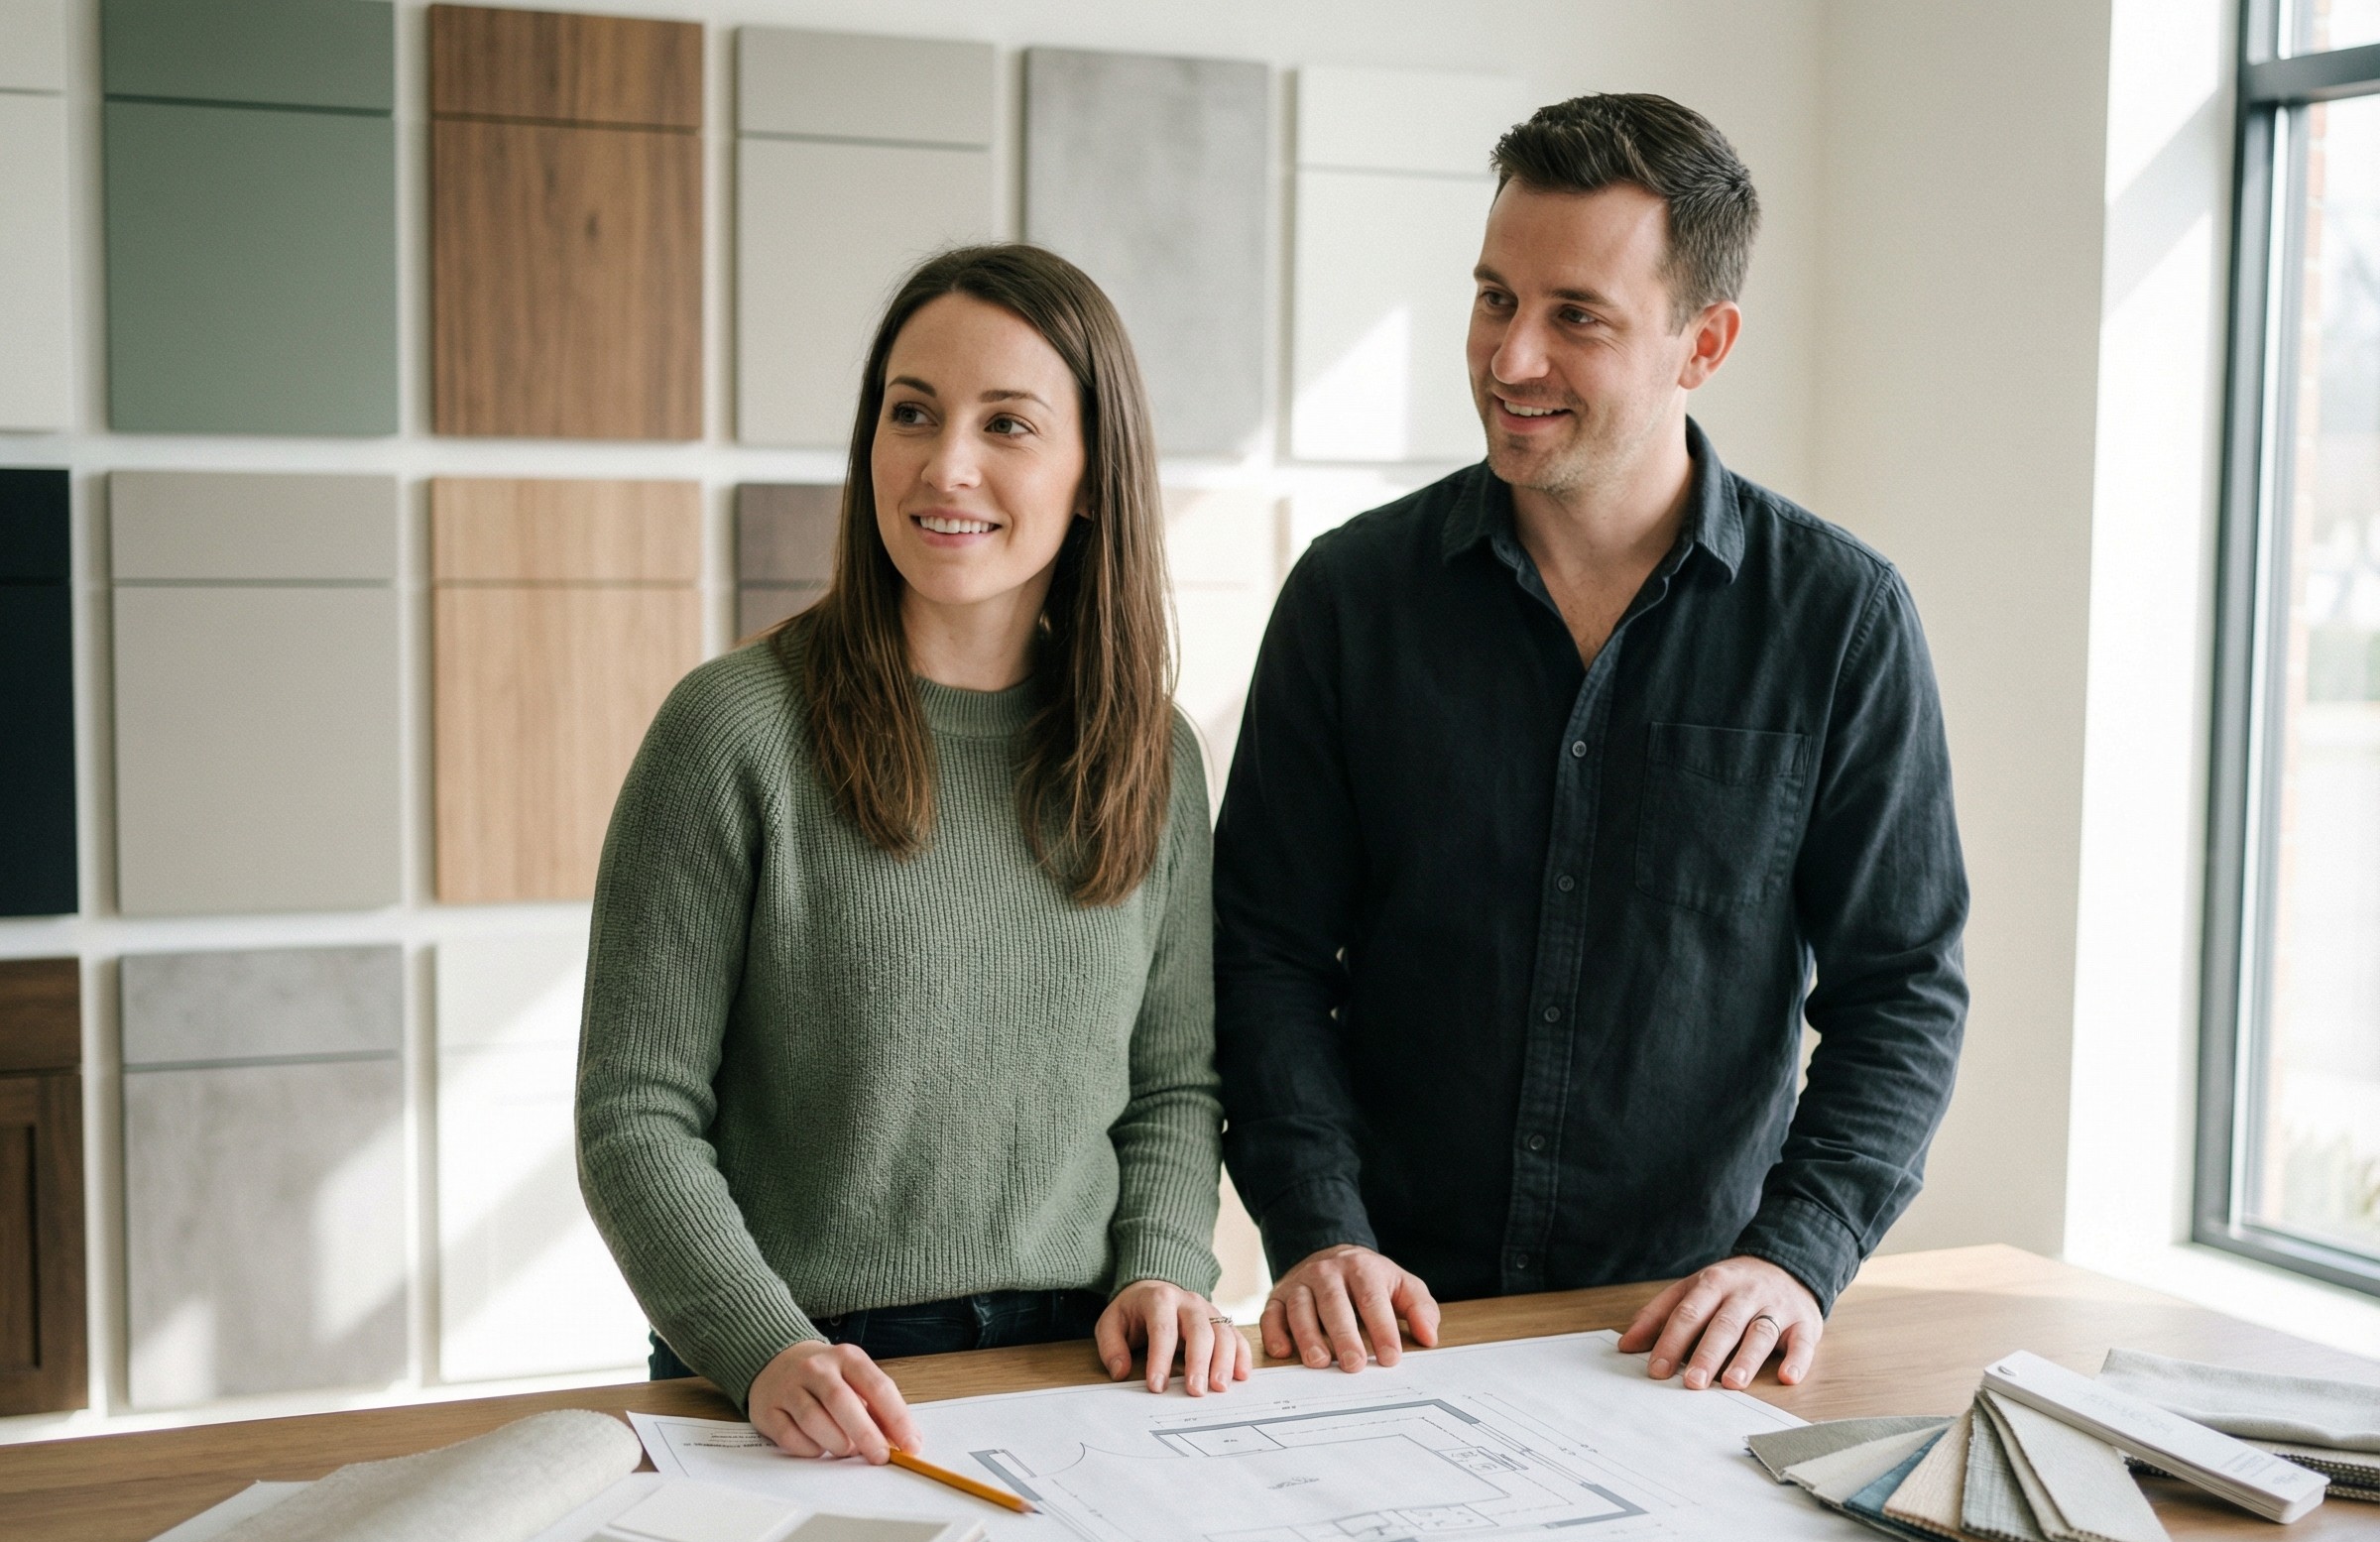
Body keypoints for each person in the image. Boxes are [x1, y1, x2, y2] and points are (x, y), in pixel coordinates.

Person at [1213, 93, 1968, 1395]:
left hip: (1681, 1345)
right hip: (1384, 1328)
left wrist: (1796, 1256)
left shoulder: (1841, 621)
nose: (1511, 358)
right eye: (1495, 298)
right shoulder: (1350, 600)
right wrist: (1319, 1229)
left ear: (1705, 342)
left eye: (1577, 317)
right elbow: (1265, 953)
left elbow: (1899, 988)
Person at [579, 243, 1248, 1466]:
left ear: (1093, 473)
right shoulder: (732, 732)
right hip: (798, 1377)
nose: (947, 466)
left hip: (1086, 1367)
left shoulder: (1152, 758)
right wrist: (763, 1348)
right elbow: (635, 1114)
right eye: (912, 414)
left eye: (1009, 424)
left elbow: (1174, 1087)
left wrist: (1164, 1268)